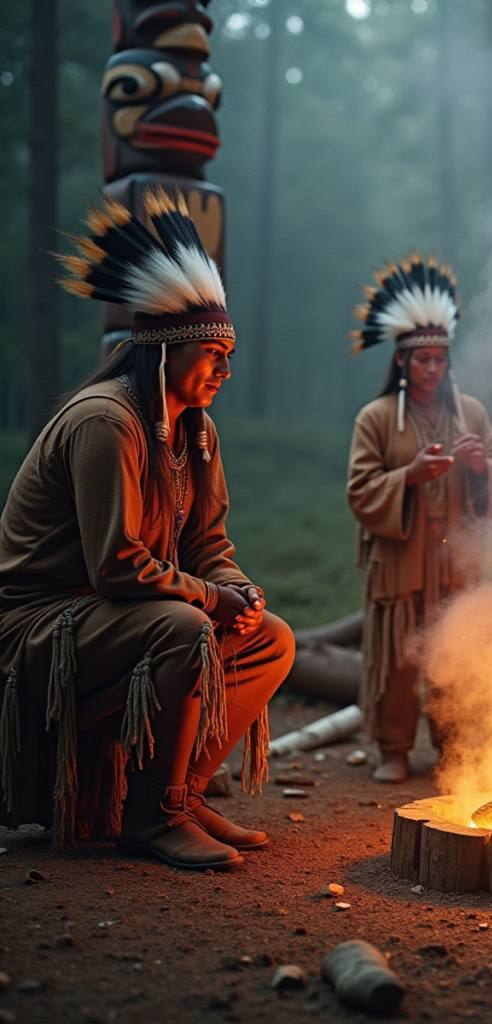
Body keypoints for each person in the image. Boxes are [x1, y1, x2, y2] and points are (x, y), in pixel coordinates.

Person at [0, 188, 294, 871]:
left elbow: (208, 547)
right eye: (213, 353)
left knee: (272, 639)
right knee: (187, 628)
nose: (225, 367)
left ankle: (179, 794)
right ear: (165, 354)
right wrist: (210, 602)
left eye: (229, 352)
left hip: (111, 613)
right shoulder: (108, 421)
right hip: (39, 624)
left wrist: (236, 591)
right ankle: (150, 818)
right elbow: (116, 565)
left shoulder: (197, 430)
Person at [347, 252, 492, 784]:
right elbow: (360, 490)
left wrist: (482, 468)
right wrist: (409, 476)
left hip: (454, 560)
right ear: (401, 361)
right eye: (422, 360)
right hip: (399, 558)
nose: (432, 368)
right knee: (396, 658)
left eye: (440, 359)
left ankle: (456, 749)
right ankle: (392, 749)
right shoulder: (374, 419)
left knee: (455, 652)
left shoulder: (472, 413)